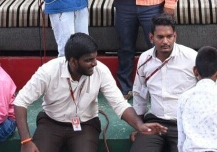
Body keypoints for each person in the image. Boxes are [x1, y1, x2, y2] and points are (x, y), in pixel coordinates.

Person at [14, 32, 167, 152]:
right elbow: (20, 102)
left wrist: (140, 126)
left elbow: (119, 104)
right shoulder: (49, 71)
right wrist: (26, 140)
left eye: (95, 58)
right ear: (73, 61)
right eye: (88, 60)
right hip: (51, 123)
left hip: (85, 125)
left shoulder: (100, 70)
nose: (94, 63)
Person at [131, 14, 210, 152]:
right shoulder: (144, 59)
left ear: (175, 36)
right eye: (160, 37)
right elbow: (139, 94)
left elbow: (211, 86)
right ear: (151, 38)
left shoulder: (191, 57)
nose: (165, 41)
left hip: (185, 124)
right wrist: (139, 126)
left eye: (169, 36)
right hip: (155, 122)